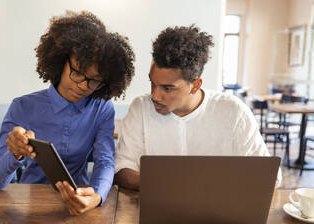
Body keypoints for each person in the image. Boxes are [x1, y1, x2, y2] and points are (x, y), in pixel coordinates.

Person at [0, 11, 135, 215]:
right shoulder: (23, 106)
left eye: (94, 80)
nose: (83, 85)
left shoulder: (101, 108)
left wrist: (97, 196)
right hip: (30, 204)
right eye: (77, 73)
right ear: (61, 61)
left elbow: (105, 161)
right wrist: (15, 152)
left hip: (80, 200)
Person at [114, 25, 281, 190]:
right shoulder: (140, 108)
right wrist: (162, 186)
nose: (155, 96)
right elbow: (121, 167)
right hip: (156, 208)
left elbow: (270, 177)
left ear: (195, 85)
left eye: (168, 88)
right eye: (152, 83)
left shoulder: (234, 112)